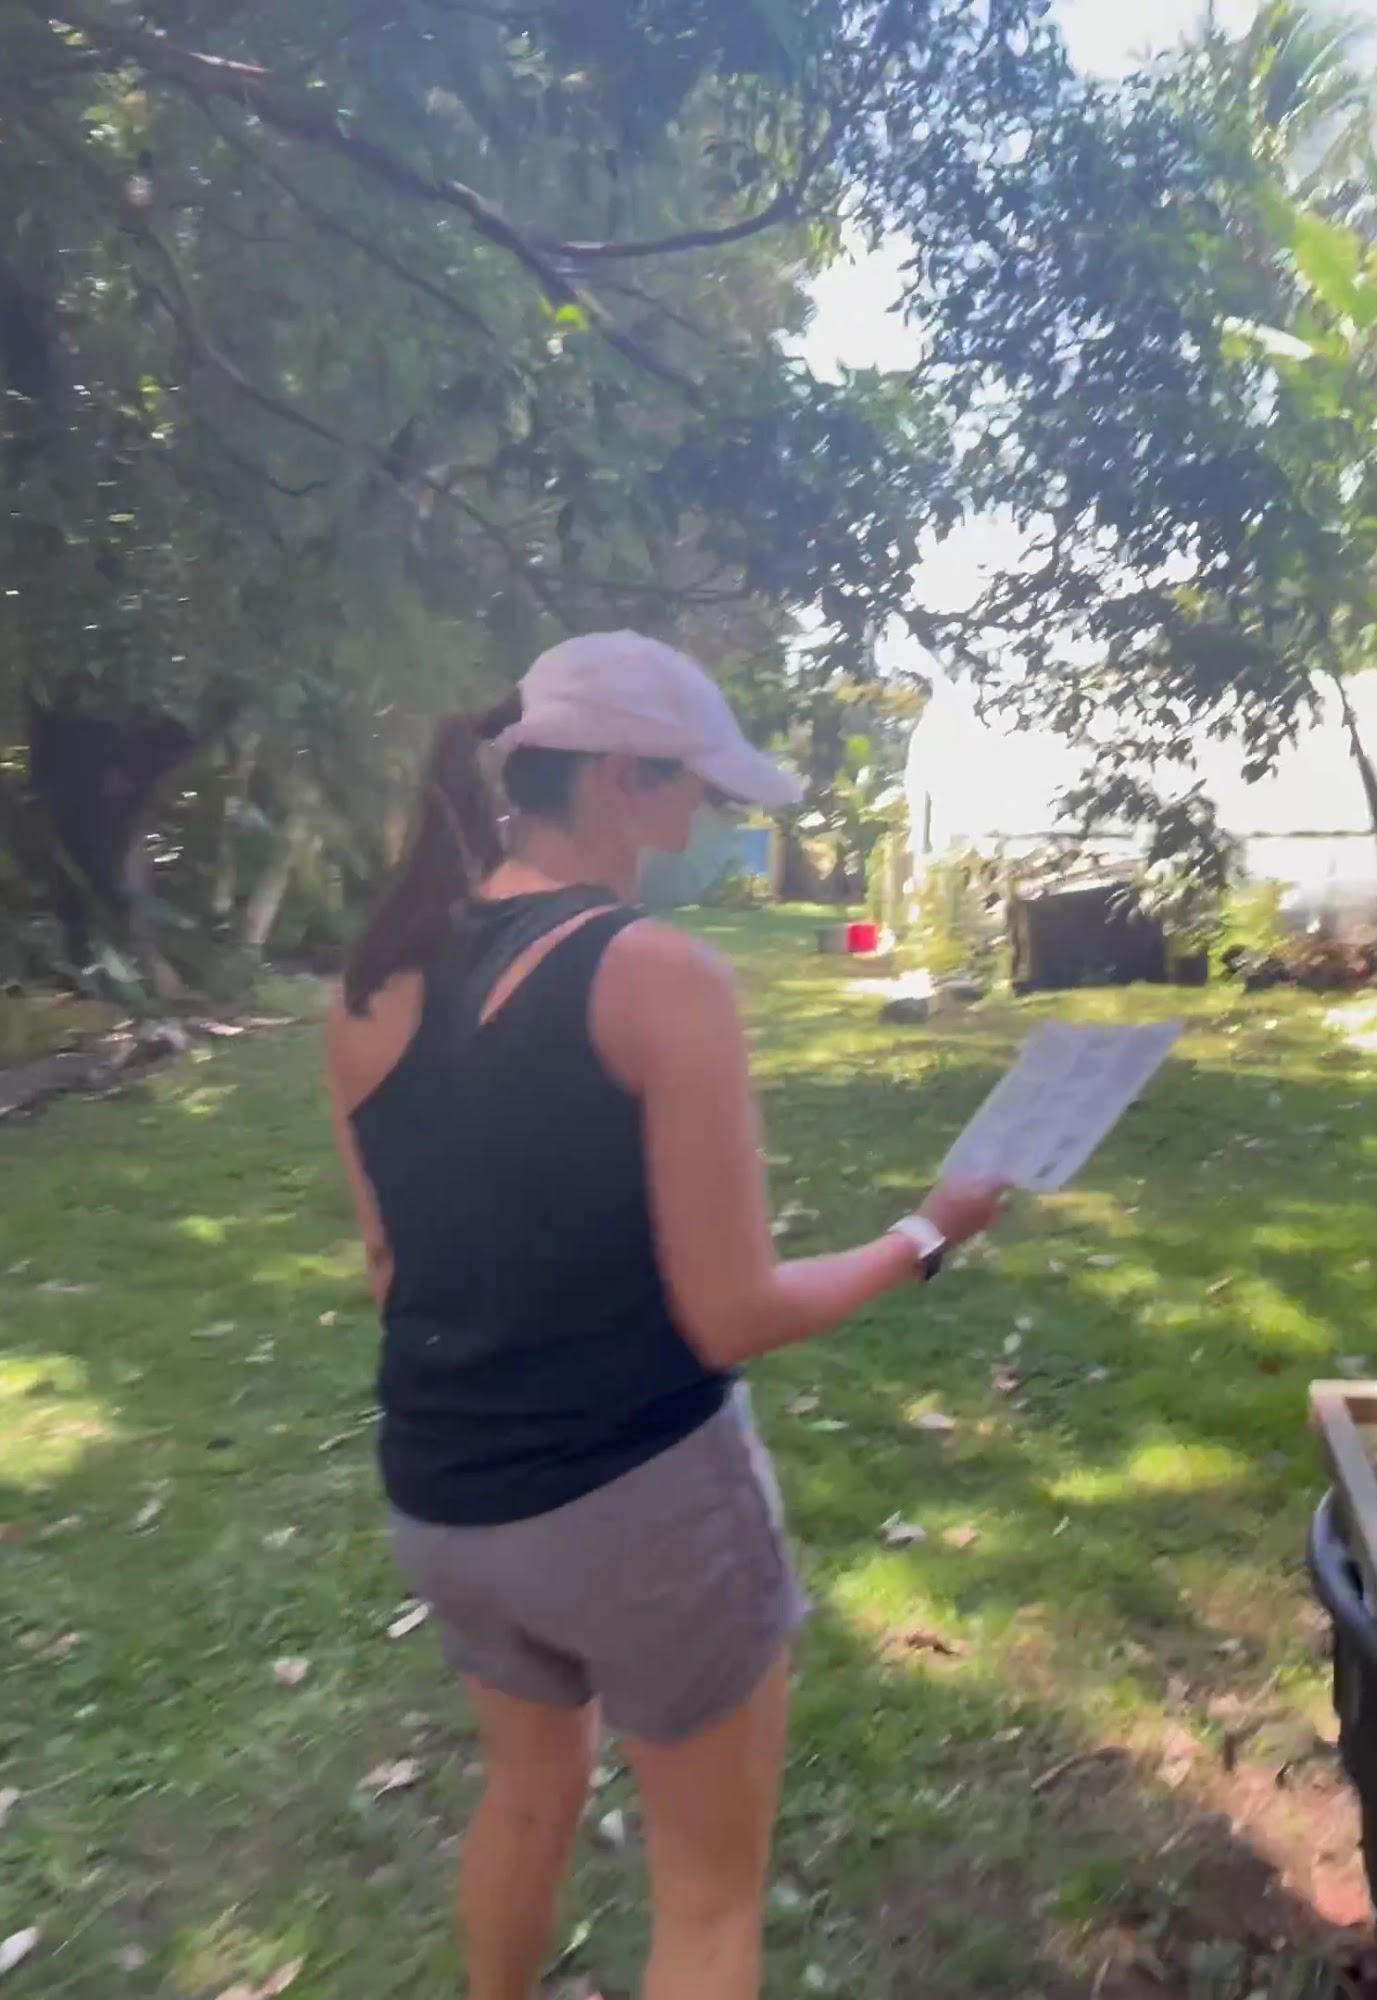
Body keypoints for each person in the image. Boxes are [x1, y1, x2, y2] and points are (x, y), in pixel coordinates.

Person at [325, 632, 1006, 2000]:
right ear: (627, 781)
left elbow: (390, 1272)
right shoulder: (658, 976)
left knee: (526, 1805)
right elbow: (730, 1315)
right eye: (696, 789)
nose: (707, 824)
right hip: (637, 1509)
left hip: (444, 1503)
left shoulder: (375, 979)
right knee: (707, 1900)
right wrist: (927, 1235)